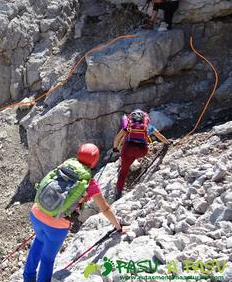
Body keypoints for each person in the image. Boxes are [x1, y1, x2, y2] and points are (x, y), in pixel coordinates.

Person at [23, 143, 128, 282]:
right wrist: (119, 226)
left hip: (37, 212)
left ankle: (27, 278)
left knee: (39, 240)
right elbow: (105, 208)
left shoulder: (65, 167)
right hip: (56, 225)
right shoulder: (88, 183)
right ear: (95, 161)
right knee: (47, 259)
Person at [113, 109, 169, 199]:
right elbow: (159, 136)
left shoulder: (128, 126)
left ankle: (119, 192)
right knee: (134, 154)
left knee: (124, 171)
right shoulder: (147, 126)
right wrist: (167, 143)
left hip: (128, 150)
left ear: (132, 118)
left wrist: (115, 148)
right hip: (142, 151)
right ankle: (133, 160)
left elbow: (117, 138)